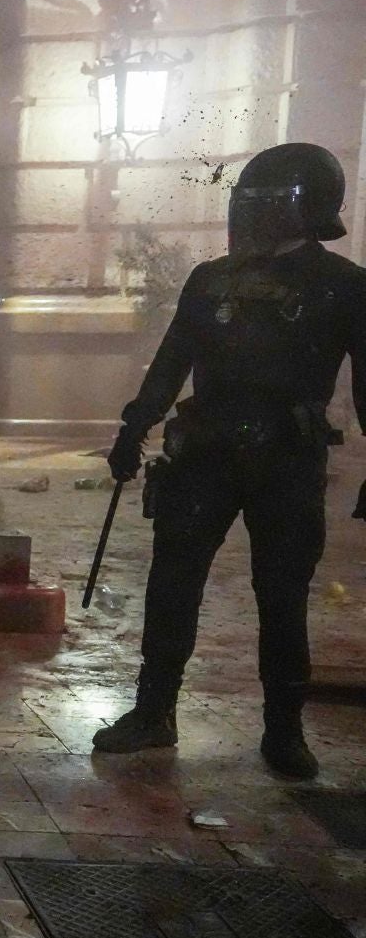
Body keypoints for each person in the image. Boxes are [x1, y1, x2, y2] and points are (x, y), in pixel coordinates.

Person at [95, 142, 366, 779]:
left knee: (282, 596)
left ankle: (284, 731)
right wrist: (135, 426)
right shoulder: (210, 279)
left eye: (265, 204)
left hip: (286, 461)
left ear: (307, 211)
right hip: (205, 455)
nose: (248, 215)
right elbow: (170, 364)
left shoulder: (344, 287)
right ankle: (153, 711)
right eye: (246, 202)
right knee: (171, 587)